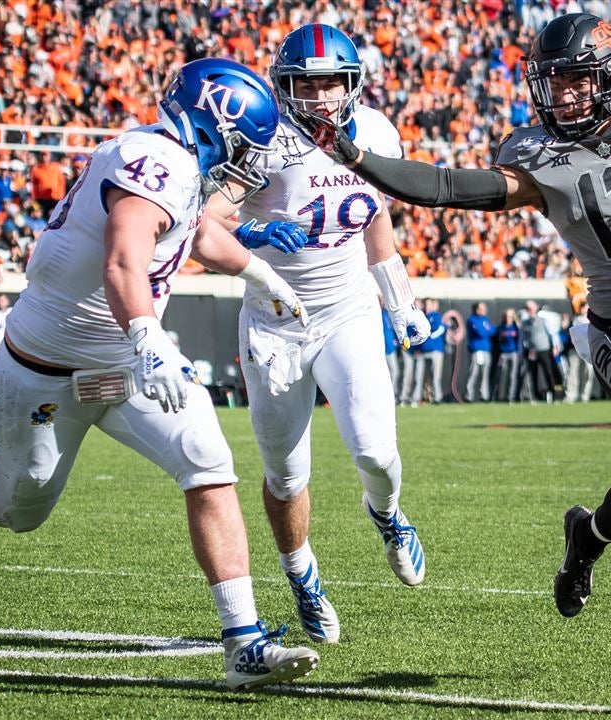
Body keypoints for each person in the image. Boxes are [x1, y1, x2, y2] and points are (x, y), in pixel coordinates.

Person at [299, 13, 611, 695]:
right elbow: (449, 187)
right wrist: (358, 158)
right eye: (552, 82)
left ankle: (586, 537)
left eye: (576, 80)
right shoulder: (537, 153)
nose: (561, 95)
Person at [0, 58, 319, 690]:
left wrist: (263, 278)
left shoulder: (174, 167)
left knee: (207, 460)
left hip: (122, 370)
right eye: (244, 144)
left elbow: (198, 235)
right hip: (51, 373)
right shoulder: (157, 161)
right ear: (218, 126)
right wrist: (150, 338)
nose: (247, 160)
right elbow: (123, 260)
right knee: (16, 508)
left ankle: (244, 641)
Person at [206, 25, 427, 646]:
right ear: (286, 85)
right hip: (276, 324)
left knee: (376, 452)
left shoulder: (377, 132)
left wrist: (399, 300)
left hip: (348, 312)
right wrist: (251, 235)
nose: (322, 95)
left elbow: (375, 218)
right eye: (308, 82)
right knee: (285, 473)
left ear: (352, 84)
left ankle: (385, 513)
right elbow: (209, 222)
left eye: (332, 81)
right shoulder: (263, 137)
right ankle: (302, 575)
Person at [412, 297, 446, 406]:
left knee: (435, 376)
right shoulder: (421, 317)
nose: (426, 307)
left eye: (428, 304)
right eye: (425, 304)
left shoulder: (436, 316)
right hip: (422, 351)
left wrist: (430, 333)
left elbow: (439, 328)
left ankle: (437, 397)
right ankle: (416, 397)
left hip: (435, 351)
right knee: (419, 376)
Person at [465, 301, 495, 402]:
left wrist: (487, 331)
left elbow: (493, 330)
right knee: (473, 373)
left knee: (485, 375)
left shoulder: (485, 319)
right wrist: (487, 331)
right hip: (477, 350)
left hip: (486, 350)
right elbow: (481, 332)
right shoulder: (472, 320)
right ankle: (468, 395)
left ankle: (484, 395)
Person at [494, 308, 522, 402]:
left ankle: (511, 397)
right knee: (501, 374)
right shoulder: (501, 327)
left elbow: (520, 339)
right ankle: (498, 396)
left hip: (513, 353)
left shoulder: (516, 327)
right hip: (503, 354)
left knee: (512, 376)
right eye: (506, 316)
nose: (508, 318)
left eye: (510, 316)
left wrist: (519, 352)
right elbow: (497, 339)